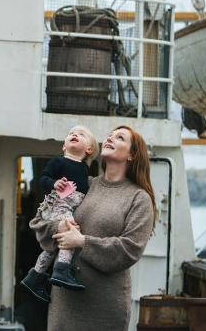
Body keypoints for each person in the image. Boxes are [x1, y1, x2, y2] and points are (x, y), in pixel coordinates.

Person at [30, 125, 157, 330]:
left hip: (103, 305)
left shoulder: (138, 198)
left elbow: (130, 248)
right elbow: (39, 220)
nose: (110, 139)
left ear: (132, 154)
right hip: (64, 303)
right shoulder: (84, 185)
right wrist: (59, 226)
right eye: (109, 136)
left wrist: (82, 241)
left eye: (120, 137)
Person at [20, 126, 98, 302]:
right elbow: (42, 178)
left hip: (68, 208)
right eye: (70, 134)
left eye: (81, 134)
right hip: (58, 205)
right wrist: (54, 183)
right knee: (70, 234)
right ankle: (62, 270)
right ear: (64, 146)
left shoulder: (85, 169)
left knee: (53, 246)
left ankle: (35, 276)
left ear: (89, 149)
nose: (74, 134)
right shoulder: (58, 162)